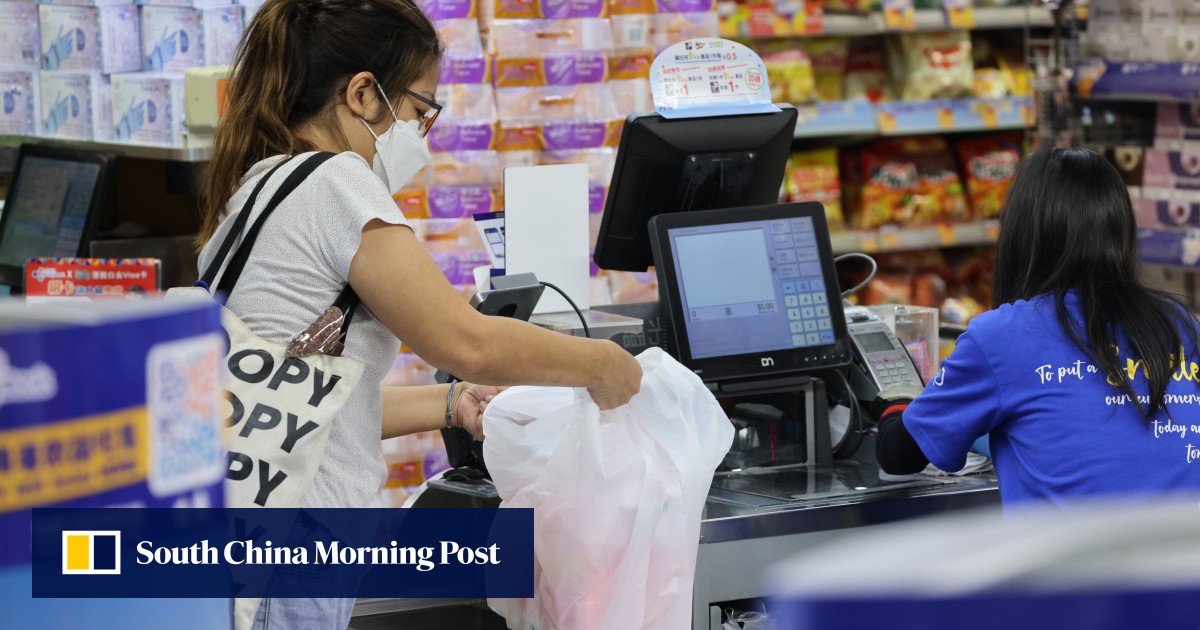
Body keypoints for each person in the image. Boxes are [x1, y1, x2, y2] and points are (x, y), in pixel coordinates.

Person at [198, 0, 642, 625]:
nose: (421, 132)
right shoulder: (336, 182)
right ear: (362, 94)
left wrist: (449, 403)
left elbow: (304, 400)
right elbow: (466, 342)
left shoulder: (257, 188)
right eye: (419, 110)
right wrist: (604, 363)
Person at [874, 147, 1200, 506]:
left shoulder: (1002, 336)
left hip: (1072, 560)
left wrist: (897, 403)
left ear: (1022, 234)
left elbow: (898, 455)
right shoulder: (1180, 324)